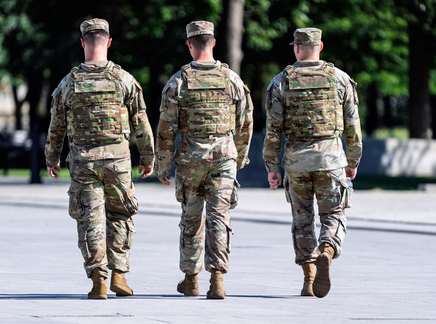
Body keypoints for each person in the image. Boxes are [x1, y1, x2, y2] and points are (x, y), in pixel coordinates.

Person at [44, 18, 155, 300]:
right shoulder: (124, 79)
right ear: (108, 42)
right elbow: (141, 122)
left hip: (83, 162)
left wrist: (52, 157)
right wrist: (148, 156)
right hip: (117, 160)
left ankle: (98, 281)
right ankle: (119, 274)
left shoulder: (69, 82)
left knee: (89, 220)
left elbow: (57, 125)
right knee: (120, 215)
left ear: (83, 42)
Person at [155, 21, 254, 299]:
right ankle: (218, 279)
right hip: (224, 159)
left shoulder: (179, 81)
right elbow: (246, 122)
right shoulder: (232, 79)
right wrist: (240, 158)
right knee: (219, 217)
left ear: (189, 44)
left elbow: (166, 128)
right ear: (213, 43)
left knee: (191, 218)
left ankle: (191, 279)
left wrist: (163, 165)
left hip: (190, 160)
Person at [263, 27, 362, 298]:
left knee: (302, 220)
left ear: (296, 48)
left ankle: (308, 279)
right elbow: (353, 125)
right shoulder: (340, 79)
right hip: (330, 159)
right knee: (333, 215)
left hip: (296, 163)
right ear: (321, 46)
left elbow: (273, 130)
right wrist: (352, 160)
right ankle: (327, 250)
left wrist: (272, 167)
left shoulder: (281, 81)